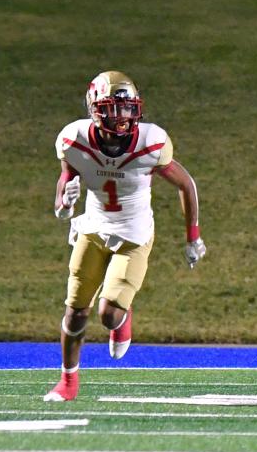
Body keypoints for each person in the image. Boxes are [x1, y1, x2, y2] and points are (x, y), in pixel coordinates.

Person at [44, 71, 206, 402]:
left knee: (108, 314)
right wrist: (64, 203)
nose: (121, 117)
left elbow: (186, 184)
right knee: (75, 311)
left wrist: (193, 235)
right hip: (93, 228)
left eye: (127, 108)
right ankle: (68, 382)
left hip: (133, 233)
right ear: (94, 109)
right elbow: (65, 181)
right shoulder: (74, 140)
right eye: (111, 109)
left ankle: (122, 315)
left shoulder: (151, 142)